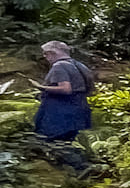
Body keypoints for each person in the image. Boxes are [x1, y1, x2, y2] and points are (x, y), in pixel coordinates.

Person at [32, 42, 94, 170]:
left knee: (49, 140)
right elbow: (89, 89)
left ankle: (83, 168)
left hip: (60, 112)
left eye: (46, 53)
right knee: (66, 142)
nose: (45, 57)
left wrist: (40, 87)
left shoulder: (59, 66)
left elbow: (66, 89)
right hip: (80, 108)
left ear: (52, 53)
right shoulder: (80, 66)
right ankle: (80, 170)